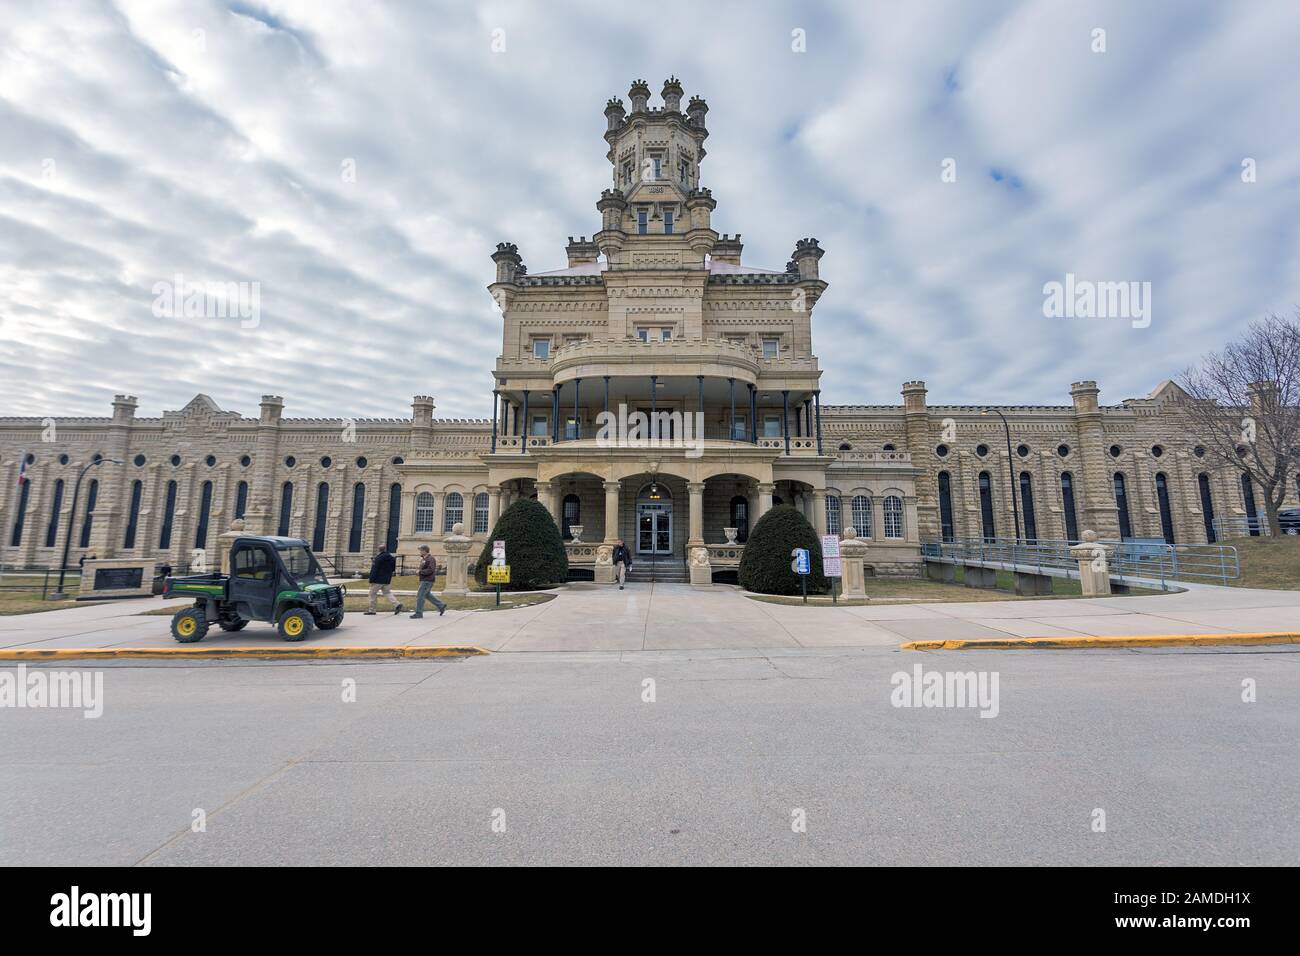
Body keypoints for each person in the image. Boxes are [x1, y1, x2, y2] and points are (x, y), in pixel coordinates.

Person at [364, 545, 403, 615]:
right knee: (387, 593)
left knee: (372, 594)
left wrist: (371, 579)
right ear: (385, 549)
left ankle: (372, 610)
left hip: (377, 580)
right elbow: (393, 568)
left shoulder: (378, 558)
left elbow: (374, 570)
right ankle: (397, 604)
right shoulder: (391, 558)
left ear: (379, 550)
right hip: (387, 579)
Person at [410, 545, 446, 618]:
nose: (419, 552)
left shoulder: (430, 559)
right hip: (425, 580)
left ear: (424, 551)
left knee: (420, 596)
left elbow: (430, 570)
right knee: (427, 594)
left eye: (420, 550)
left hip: (427, 580)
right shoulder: (424, 559)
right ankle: (441, 605)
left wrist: (420, 572)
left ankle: (419, 613)